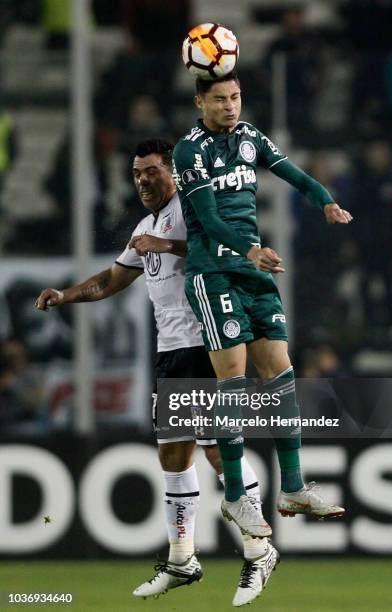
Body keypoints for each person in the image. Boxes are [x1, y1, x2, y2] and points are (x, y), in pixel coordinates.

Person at [35, 139, 266, 602]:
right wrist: (66, 296)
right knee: (174, 458)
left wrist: (162, 244)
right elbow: (110, 280)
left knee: (219, 451)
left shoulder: (192, 209)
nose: (142, 180)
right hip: (171, 353)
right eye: (137, 173)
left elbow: (224, 247)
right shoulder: (145, 225)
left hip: (207, 341)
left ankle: (258, 549)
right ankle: (183, 559)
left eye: (152, 171)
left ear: (173, 173)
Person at [172, 71, 351, 606]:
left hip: (252, 272)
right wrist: (250, 251)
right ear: (200, 101)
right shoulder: (190, 151)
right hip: (214, 272)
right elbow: (206, 217)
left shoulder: (250, 137)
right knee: (234, 377)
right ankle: (234, 496)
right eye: (220, 99)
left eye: (235, 97)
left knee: (279, 369)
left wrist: (324, 200)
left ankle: (293, 488)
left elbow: (294, 174)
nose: (230, 106)